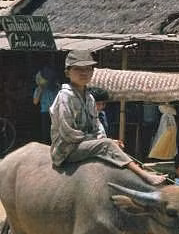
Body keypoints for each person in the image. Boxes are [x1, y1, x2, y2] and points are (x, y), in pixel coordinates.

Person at [49, 49, 166, 185]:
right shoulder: (65, 97)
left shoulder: (90, 98)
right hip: (67, 149)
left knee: (113, 144)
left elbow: (96, 126)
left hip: (85, 145)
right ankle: (144, 175)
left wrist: (103, 140)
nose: (84, 73)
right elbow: (68, 133)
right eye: (78, 69)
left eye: (88, 69)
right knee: (108, 144)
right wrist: (102, 142)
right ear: (67, 72)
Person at [32, 66, 58, 144]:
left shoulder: (56, 86)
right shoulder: (39, 89)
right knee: (46, 133)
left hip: (56, 112)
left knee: (56, 133)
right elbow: (35, 102)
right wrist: (41, 89)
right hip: (45, 113)